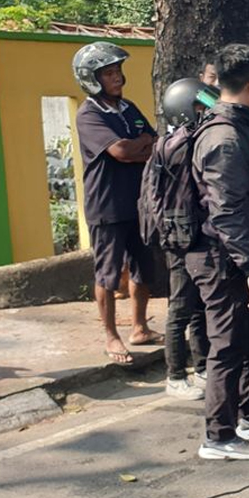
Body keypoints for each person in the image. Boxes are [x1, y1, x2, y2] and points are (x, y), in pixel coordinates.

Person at [187, 43, 249, 460]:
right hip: (221, 257)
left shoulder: (236, 129)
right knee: (225, 345)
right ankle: (218, 436)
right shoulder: (224, 138)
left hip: (235, 254)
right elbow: (225, 212)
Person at [72, 41, 160, 367]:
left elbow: (155, 143)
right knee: (108, 275)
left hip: (138, 203)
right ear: (92, 79)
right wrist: (140, 145)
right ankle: (111, 335)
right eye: (109, 73)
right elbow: (121, 152)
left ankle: (140, 328)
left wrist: (138, 146)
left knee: (144, 267)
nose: (118, 78)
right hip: (106, 206)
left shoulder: (128, 109)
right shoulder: (89, 115)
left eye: (118, 71)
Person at [153, 77, 218, 400]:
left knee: (198, 308)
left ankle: (202, 366)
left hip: (192, 232)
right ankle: (175, 375)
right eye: (200, 107)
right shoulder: (180, 144)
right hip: (180, 235)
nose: (208, 112)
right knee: (180, 308)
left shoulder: (188, 139)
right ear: (183, 111)